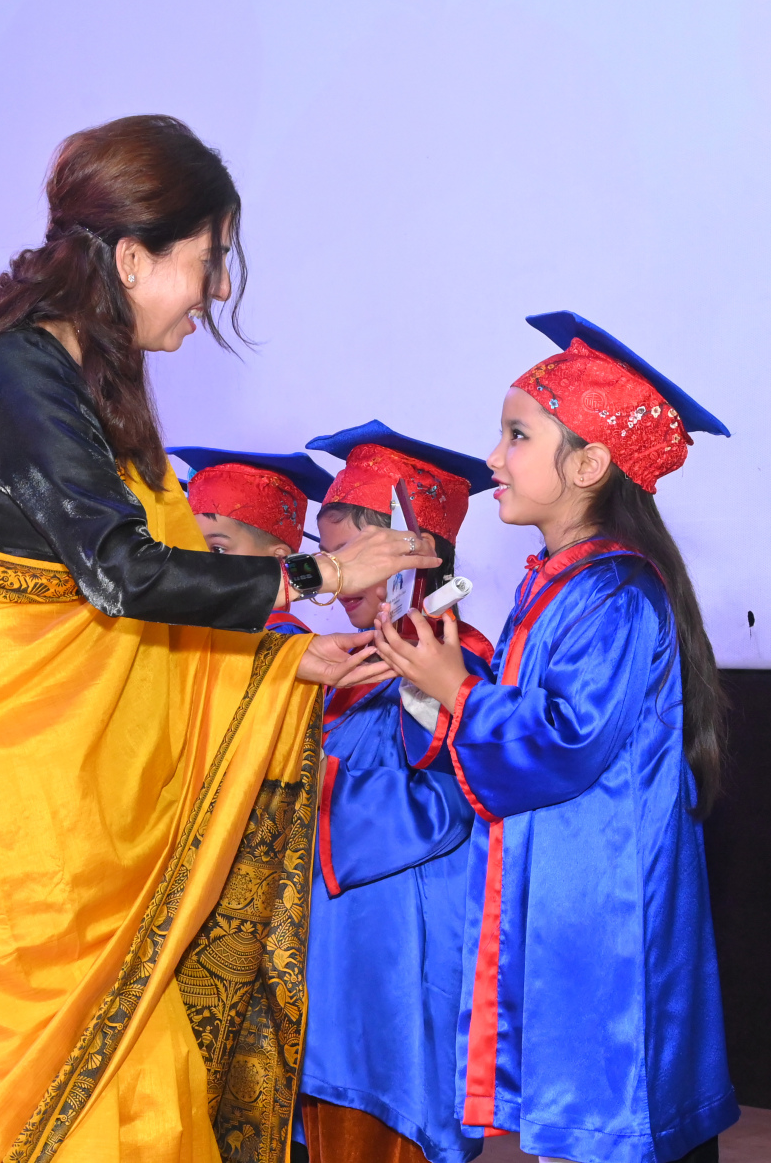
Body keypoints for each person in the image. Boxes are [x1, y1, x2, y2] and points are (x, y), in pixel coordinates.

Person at [0, 114, 430, 1163]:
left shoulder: (88, 376)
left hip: (27, 765)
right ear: (134, 257)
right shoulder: (17, 370)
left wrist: (282, 660)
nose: (218, 290)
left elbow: (124, 599)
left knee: (129, 1060)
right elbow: (121, 575)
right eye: (210, 258)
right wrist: (325, 574)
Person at [376, 312, 737, 1163]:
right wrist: (436, 683)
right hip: (564, 891)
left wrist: (458, 691)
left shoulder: (615, 595)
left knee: (617, 1105)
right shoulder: (556, 585)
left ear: (588, 464)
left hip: (605, 904)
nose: (493, 459)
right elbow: (523, 716)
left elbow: (565, 740)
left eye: (516, 436)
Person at [290, 424, 497, 1163]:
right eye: (327, 556)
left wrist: (300, 790)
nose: (333, 576)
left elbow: (442, 805)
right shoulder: (349, 662)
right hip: (338, 945)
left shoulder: (455, 662)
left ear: (413, 556)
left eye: (349, 555)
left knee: (386, 1113)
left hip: (400, 942)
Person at [170, 446, 333, 633]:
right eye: (192, 546)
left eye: (218, 549)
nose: (197, 561)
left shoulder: (284, 638)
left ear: (278, 559)